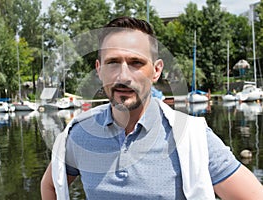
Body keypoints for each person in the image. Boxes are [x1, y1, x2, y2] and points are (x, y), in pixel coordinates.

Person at [41, 16, 263, 199]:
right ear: (99, 70)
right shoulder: (79, 134)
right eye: (113, 62)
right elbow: (50, 186)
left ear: (156, 71)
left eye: (136, 63)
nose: (123, 76)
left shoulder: (191, 137)